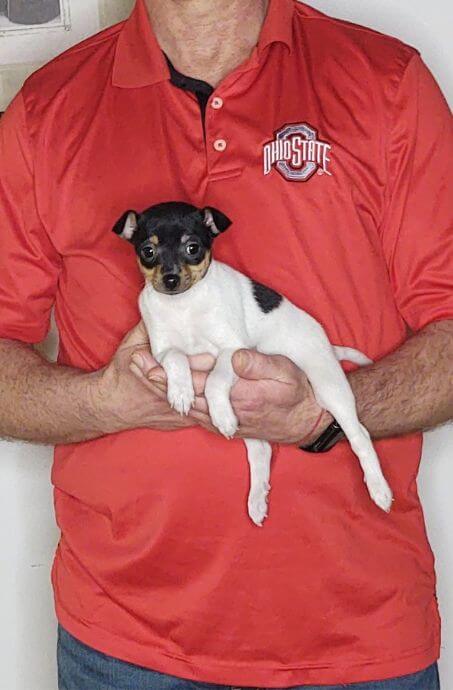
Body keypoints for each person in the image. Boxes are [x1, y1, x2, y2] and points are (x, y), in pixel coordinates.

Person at [0, 0, 451, 688]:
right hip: (122, 645)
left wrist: (322, 411)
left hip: (357, 639)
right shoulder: (45, 108)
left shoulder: (385, 82)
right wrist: (104, 401)